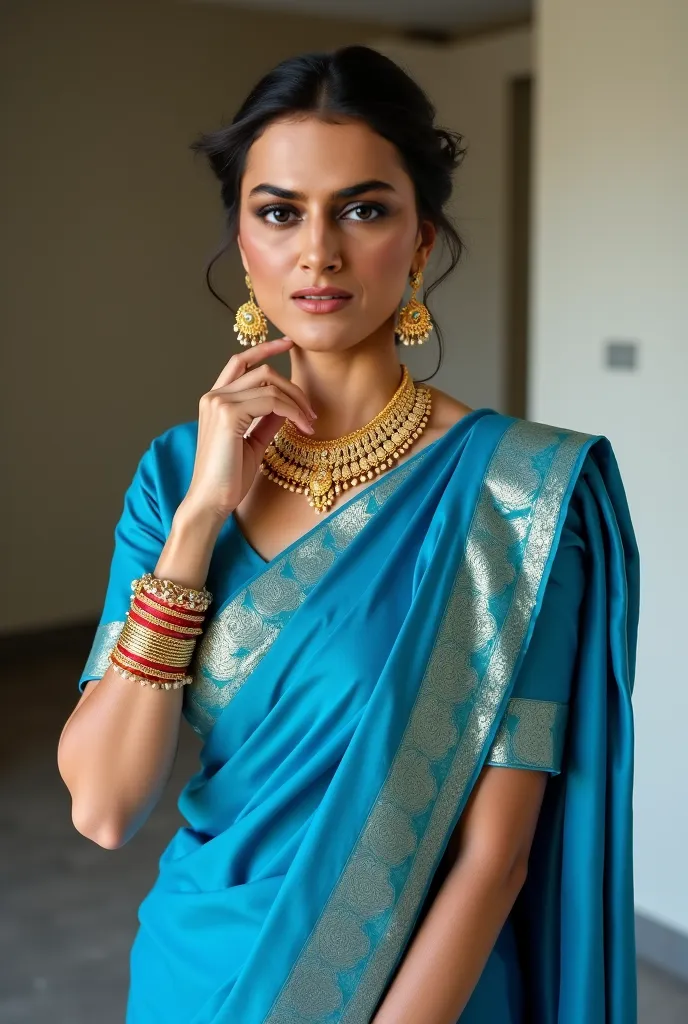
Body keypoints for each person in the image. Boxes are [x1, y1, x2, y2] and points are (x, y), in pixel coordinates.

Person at [57, 45, 640, 1024]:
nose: (316, 251)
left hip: (412, 990)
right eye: (278, 212)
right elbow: (105, 808)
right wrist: (201, 520)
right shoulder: (173, 477)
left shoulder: (520, 498)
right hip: (197, 975)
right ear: (243, 243)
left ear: (420, 241)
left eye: (362, 209)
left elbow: (494, 859)